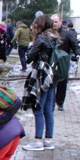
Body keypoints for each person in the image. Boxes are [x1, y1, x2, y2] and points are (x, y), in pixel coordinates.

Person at [22, 14, 60, 151]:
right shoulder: (55, 38)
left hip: (42, 76)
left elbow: (29, 58)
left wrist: (31, 47)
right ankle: (48, 140)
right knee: (48, 109)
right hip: (52, 76)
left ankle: (38, 141)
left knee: (38, 107)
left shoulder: (41, 39)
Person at [51, 14, 80, 111]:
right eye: (53, 22)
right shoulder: (48, 33)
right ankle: (50, 103)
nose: (54, 24)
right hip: (51, 62)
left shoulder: (67, 34)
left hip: (63, 63)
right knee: (50, 82)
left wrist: (78, 54)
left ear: (60, 22)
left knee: (62, 83)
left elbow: (75, 44)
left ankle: (60, 103)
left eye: (56, 22)